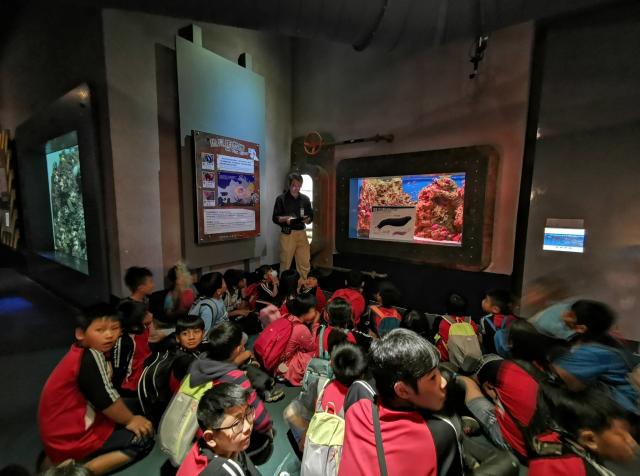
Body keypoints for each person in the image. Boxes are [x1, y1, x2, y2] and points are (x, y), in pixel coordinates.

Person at [38, 304, 153, 475]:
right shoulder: (89, 357)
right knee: (142, 440)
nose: (109, 335)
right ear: (80, 333)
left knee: (135, 406)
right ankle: (76, 472)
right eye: (100, 330)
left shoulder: (81, 352)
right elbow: (106, 398)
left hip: (59, 436)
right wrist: (131, 420)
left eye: (114, 328)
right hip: (72, 439)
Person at [339, 329, 462, 476]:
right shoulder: (441, 434)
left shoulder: (357, 396)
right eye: (432, 378)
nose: (443, 382)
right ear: (402, 390)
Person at [187, 322, 274, 465]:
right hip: (223, 434)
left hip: (200, 430)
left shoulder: (199, 363)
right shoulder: (235, 378)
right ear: (237, 349)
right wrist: (268, 427)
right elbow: (260, 418)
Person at [552, 300, 639, 415]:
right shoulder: (602, 337)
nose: (564, 315)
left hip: (619, 408)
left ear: (581, 328)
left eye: (570, 315)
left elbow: (569, 381)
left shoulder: (593, 352)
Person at [529, 387, 638, 475]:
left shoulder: (558, 440)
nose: (632, 442)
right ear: (590, 439)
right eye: (623, 435)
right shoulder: (573, 471)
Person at [178, 383, 260, 476]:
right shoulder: (224, 471)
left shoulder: (227, 444)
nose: (247, 427)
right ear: (210, 438)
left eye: (248, 412)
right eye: (236, 424)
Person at [272, 172, 313, 279]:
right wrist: (285, 219)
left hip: (302, 233)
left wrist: (308, 219)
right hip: (288, 233)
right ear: (289, 184)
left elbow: (311, 215)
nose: (296, 188)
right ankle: (285, 286)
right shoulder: (281, 199)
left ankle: (303, 284)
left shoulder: (305, 199)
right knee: (285, 262)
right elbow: (275, 218)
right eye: (294, 185)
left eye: (299, 185)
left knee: (304, 262)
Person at [278, 293, 321, 386]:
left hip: (276, 359)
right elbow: (313, 347)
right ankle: (286, 374)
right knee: (315, 353)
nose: (316, 313)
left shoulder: (286, 316)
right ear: (306, 311)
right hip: (285, 365)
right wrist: (315, 325)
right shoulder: (301, 329)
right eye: (314, 310)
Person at [111, 299, 152, 396]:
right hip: (131, 385)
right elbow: (118, 370)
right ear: (135, 324)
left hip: (146, 371)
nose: (150, 314)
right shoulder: (124, 341)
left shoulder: (144, 329)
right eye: (145, 314)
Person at [480, 289, 517, 355]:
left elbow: (486, 342)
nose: (483, 301)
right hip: (511, 355)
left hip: (493, 355)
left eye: (486, 300)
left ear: (495, 309)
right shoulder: (514, 318)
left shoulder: (485, 320)